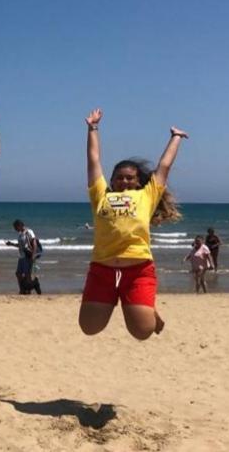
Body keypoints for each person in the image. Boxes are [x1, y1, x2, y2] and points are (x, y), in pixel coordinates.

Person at [80, 108, 187, 340]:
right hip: (102, 271)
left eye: (130, 177)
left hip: (137, 271)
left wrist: (176, 137)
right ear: (111, 180)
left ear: (139, 182)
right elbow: (93, 160)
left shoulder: (147, 195)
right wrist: (93, 128)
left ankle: (141, 306)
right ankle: (126, 301)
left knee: (142, 331)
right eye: (119, 177)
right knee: (89, 327)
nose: (124, 181)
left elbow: (164, 167)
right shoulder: (100, 195)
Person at [6, 219, 41, 295]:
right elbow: (21, 246)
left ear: (20, 225)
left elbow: (34, 243)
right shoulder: (20, 234)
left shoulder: (29, 232)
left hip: (27, 256)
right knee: (18, 273)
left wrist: (33, 256)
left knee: (27, 274)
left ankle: (28, 290)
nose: (15, 229)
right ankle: (22, 289)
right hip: (21, 257)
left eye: (16, 227)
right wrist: (11, 244)